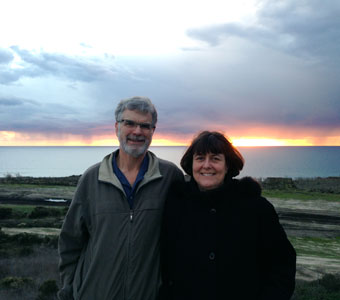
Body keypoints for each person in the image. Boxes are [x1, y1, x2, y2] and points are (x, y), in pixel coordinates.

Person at [58, 96, 184, 300]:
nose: (137, 131)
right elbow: (71, 241)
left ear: (153, 131)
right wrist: (70, 289)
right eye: (130, 123)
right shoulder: (92, 178)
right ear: (117, 127)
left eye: (145, 125)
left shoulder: (170, 177)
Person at [160, 131, 296, 300]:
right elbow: (163, 262)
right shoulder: (175, 205)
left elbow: (282, 264)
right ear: (191, 164)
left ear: (227, 166)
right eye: (200, 158)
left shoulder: (256, 208)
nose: (207, 165)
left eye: (215, 158)